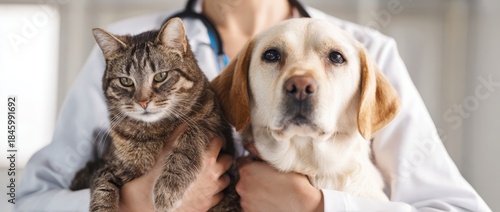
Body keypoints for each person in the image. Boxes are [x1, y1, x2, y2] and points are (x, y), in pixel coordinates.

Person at [17, 0, 491, 211]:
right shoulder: (124, 50)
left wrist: (320, 207)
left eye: (332, 61)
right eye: (272, 58)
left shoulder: (369, 50)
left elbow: (456, 208)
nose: (302, 82)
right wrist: (134, 203)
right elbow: (24, 202)